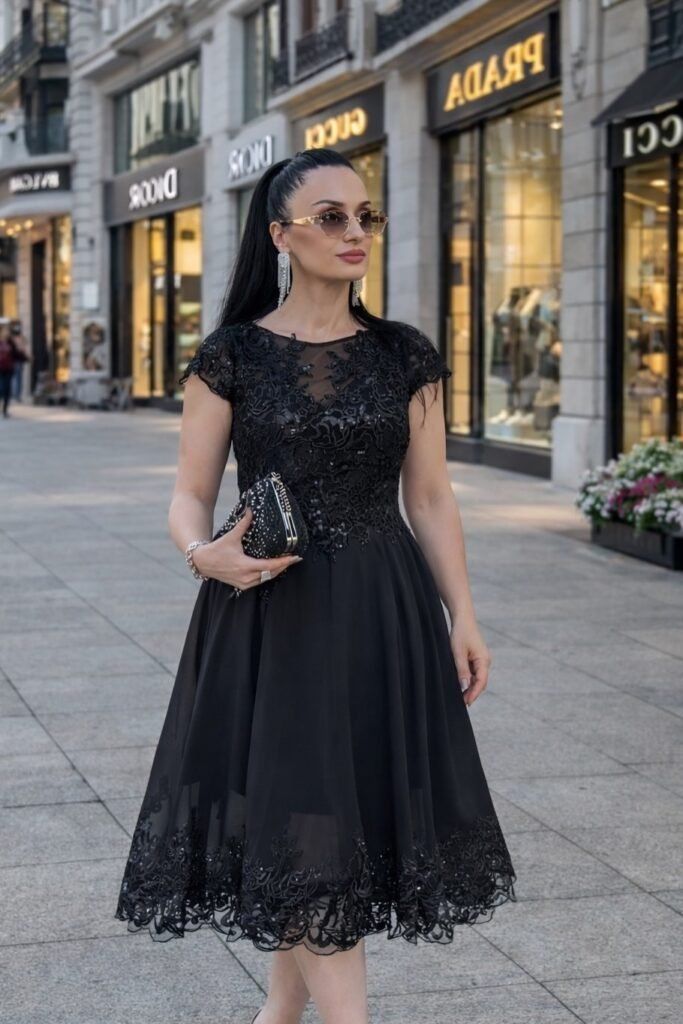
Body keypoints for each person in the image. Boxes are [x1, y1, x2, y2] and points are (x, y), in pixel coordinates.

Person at [114, 148, 517, 1024]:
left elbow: (432, 495)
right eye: (330, 216)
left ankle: (276, 1016)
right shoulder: (232, 355)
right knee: (304, 811)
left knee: (338, 811)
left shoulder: (405, 353)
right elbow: (187, 494)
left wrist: (464, 615)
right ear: (281, 236)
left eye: (365, 215)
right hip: (270, 608)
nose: (353, 231)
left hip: (383, 605)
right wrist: (201, 552)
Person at [0, 318, 19, 418]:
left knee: (6, 388)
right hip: (2, 368)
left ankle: (5, 409)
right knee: (3, 387)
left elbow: (16, 354)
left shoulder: (10, 341)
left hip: (8, 368)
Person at [9, 321, 29, 400]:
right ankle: (16, 394)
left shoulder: (14, 338)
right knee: (17, 378)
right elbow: (22, 349)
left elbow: (24, 348)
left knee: (16, 378)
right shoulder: (15, 339)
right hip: (15, 361)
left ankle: (16, 394)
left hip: (16, 361)